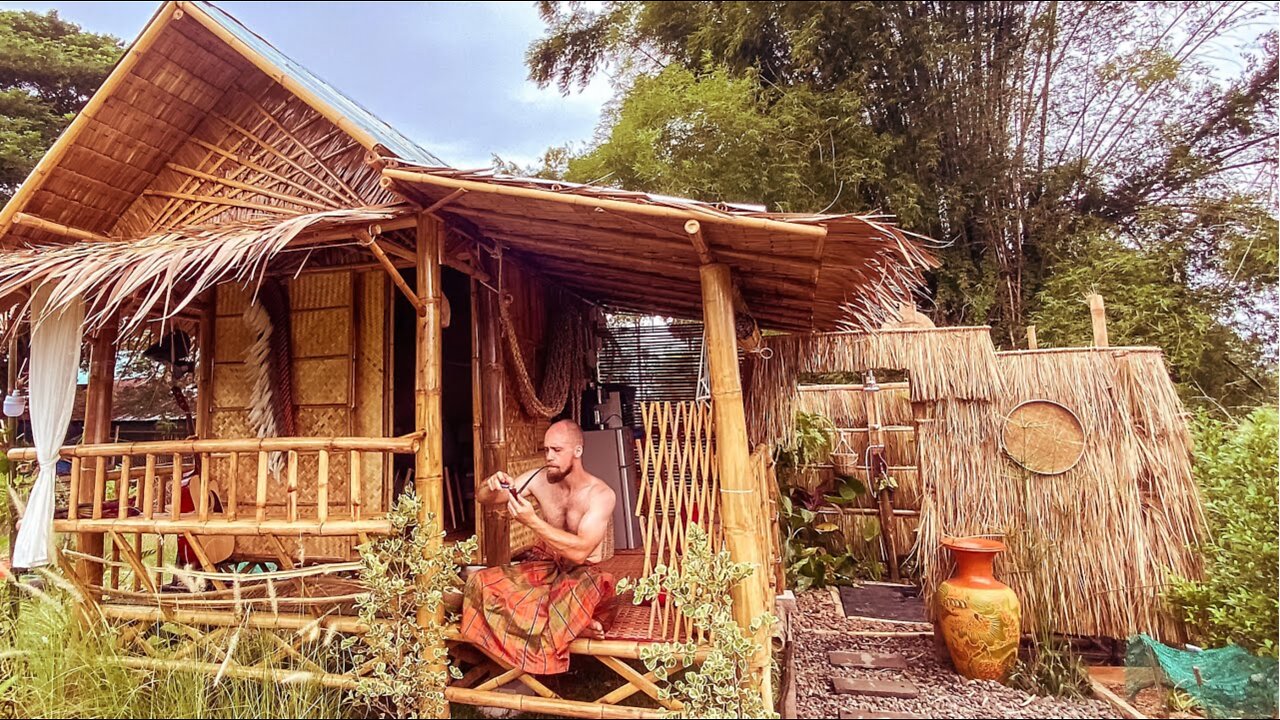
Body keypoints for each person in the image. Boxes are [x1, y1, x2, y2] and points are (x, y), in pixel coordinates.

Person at [460, 419, 618, 675]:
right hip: (548, 567)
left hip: (583, 574)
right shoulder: (539, 479)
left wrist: (532, 521)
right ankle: (573, 623)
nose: (549, 457)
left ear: (577, 451)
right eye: (546, 450)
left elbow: (580, 551)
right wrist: (490, 484)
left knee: (564, 598)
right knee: (480, 583)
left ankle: (567, 621)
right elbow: (485, 499)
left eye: (557, 450)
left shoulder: (601, 494)